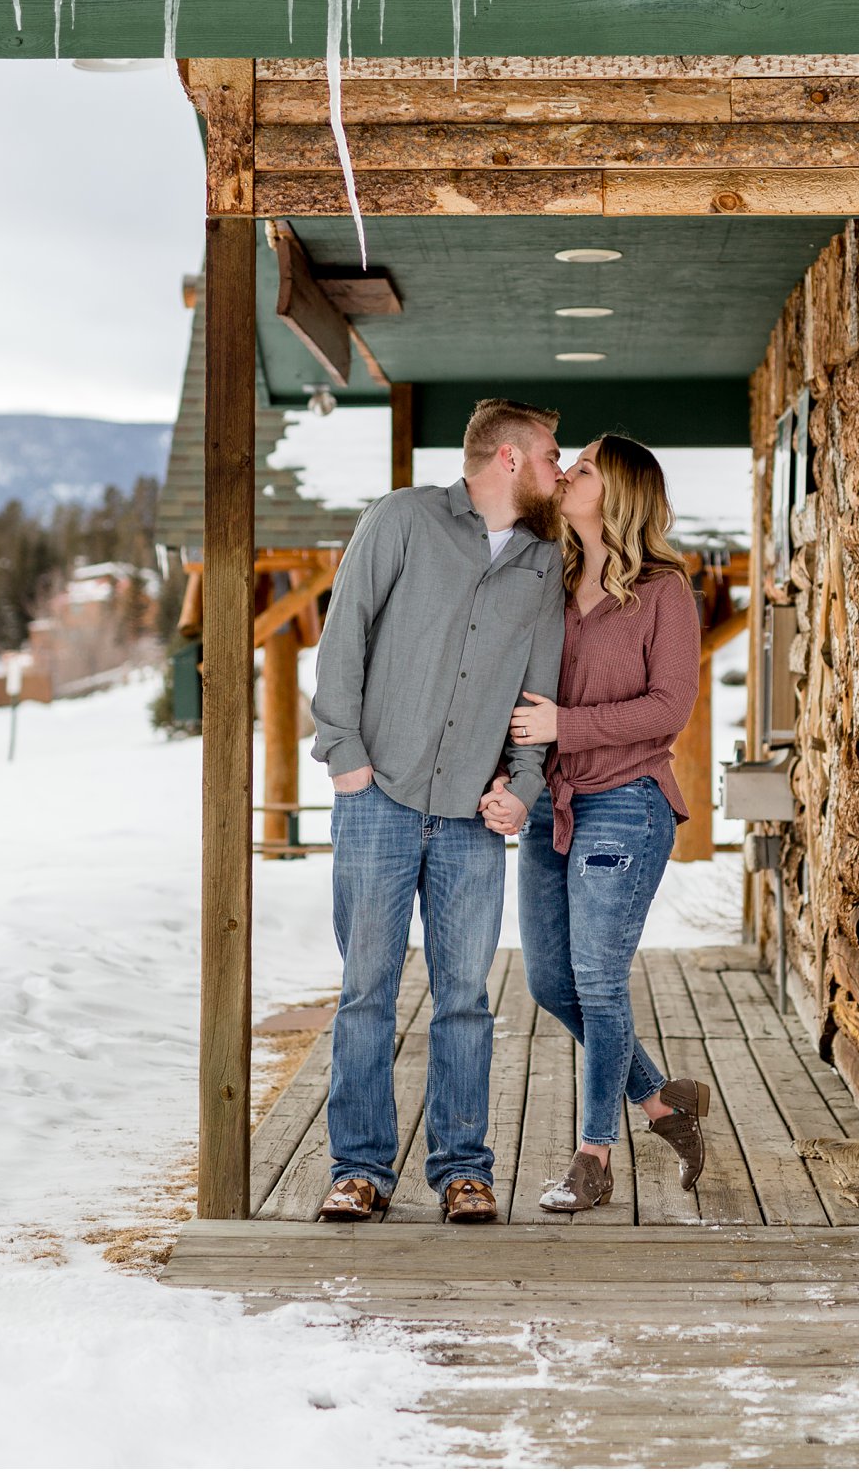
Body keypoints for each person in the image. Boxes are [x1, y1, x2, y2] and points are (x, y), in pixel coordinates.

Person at [307, 399, 566, 1225]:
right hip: (376, 798)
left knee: (463, 995)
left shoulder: (542, 563)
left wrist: (521, 788)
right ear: (511, 459)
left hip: (469, 817)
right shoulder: (404, 520)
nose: (561, 471)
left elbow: (539, 692)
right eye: (554, 456)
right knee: (366, 991)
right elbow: (343, 632)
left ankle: (463, 1168)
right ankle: (358, 1169)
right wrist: (342, 754)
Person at [481, 435, 711, 1215]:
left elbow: (667, 708)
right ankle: (661, 1101)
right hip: (550, 802)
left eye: (581, 469)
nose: (567, 474)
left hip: (625, 802)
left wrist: (564, 726)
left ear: (616, 493)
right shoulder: (549, 575)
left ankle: (591, 1157)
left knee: (598, 981)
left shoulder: (664, 591)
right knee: (549, 980)